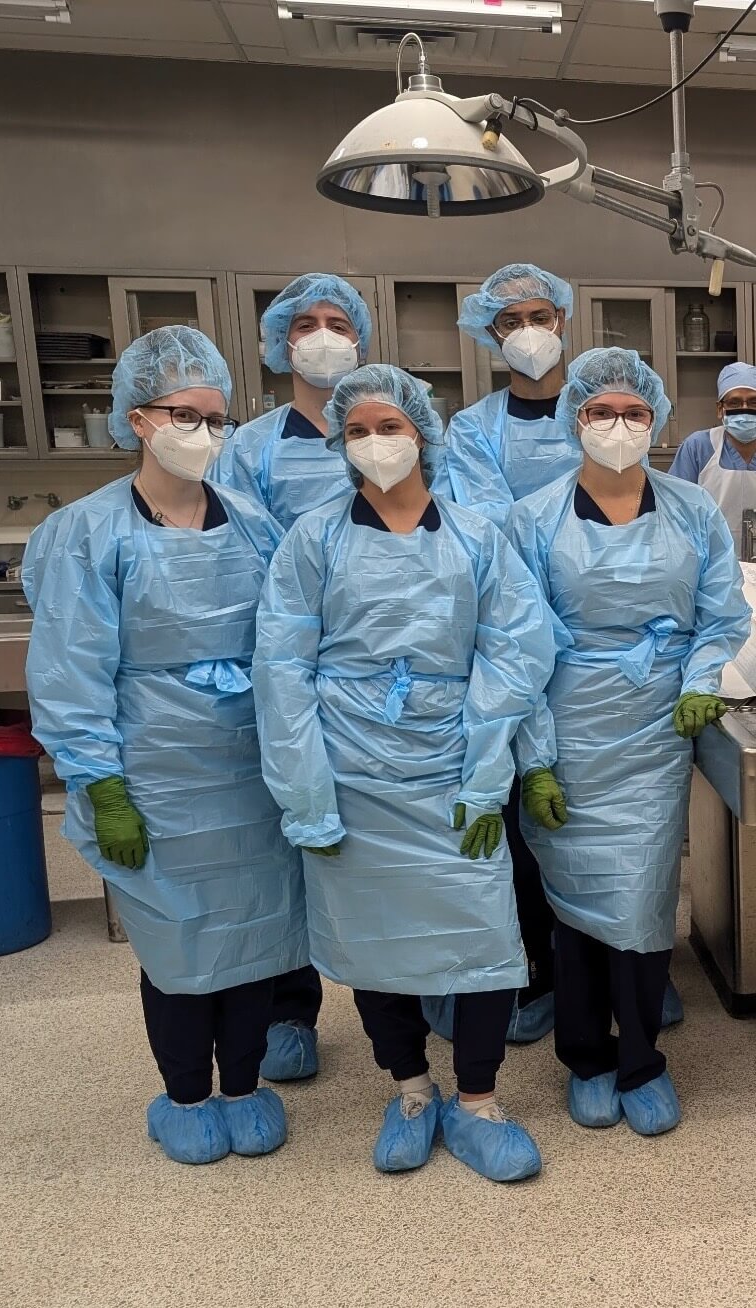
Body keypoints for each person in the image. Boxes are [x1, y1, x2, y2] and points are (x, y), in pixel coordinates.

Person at [252, 364, 557, 1182]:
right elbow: (282, 672)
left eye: (391, 427)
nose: (376, 444)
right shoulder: (310, 542)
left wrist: (487, 772)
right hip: (351, 774)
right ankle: (413, 1089)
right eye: (358, 431)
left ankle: (480, 1100)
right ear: (340, 443)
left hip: (456, 768)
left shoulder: (476, 538)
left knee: (486, 938)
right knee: (373, 939)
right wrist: (308, 797)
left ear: (423, 432)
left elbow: (514, 652)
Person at [22, 326, 308, 1167]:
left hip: (248, 771)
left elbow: (289, 644)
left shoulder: (254, 525)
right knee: (178, 945)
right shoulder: (88, 534)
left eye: (217, 419)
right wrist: (100, 784)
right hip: (151, 773)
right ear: (138, 418)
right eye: (185, 415)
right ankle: (186, 1095)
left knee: (253, 939)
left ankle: (245, 1086)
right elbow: (71, 671)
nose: (204, 435)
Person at [510, 347, 750, 1137]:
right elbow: (517, 645)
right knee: (575, 907)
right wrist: (534, 756)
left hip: (652, 731)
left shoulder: (689, 508)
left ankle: (641, 1059)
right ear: (575, 419)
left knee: (644, 899)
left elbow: (719, 614)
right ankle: (585, 1057)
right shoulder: (532, 518)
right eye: (601, 412)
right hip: (567, 725)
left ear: (656, 422)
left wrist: (696, 682)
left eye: (634, 413)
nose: (618, 426)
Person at [211, 273, 373, 1083]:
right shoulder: (251, 447)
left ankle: (420, 991)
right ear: (280, 344)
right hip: (289, 659)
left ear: (361, 338)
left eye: (336, 322)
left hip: (382, 668)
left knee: (392, 830)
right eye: (304, 323)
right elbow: (236, 555)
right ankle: (288, 1006)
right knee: (288, 839)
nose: (320, 335)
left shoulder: (387, 430)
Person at [425, 264, 577, 1046]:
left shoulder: (603, 405)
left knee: (595, 815)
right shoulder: (472, 429)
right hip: (507, 634)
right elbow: (486, 528)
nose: (527, 330)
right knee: (519, 815)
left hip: (594, 647)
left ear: (564, 319)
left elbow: (624, 505)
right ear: (491, 335)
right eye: (510, 319)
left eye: (539, 314)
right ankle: (534, 973)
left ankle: (608, 962)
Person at [669, 362, 756, 557]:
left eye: (753, 402)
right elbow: (674, 512)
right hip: (710, 563)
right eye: (734, 403)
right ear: (720, 409)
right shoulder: (699, 447)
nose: (744, 410)